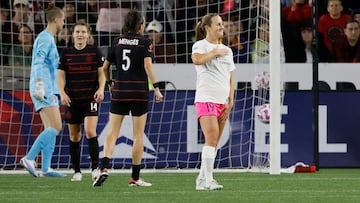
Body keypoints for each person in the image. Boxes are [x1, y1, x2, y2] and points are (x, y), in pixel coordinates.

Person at [93, 9, 163, 187]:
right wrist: (156, 88)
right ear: (140, 25)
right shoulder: (145, 42)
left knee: (112, 132)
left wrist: (109, 83)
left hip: (120, 92)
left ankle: (104, 167)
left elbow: (104, 66)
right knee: (138, 135)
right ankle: (135, 177)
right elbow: (148, 65)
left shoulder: (117, 41)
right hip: (138, 93)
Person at [19, 3, 66, 177]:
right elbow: (38, 62)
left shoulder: (48, 38)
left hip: (49, 87)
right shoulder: (45, 38)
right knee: (56, 126)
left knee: (50, 127)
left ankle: (46, 168)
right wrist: (40, 85)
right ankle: (29, 158)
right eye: (63, 19)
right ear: (56, 19)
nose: (64, 22)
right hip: (43, 87)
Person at [57, 20, 106, 182]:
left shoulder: (94, 51)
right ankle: (77, 171)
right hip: (72, 99)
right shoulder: (66, 53)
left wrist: (100, 89)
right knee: (74, 135)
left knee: (90, 131)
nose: (80, 34)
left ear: (88, 34)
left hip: (90, 98)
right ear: (73, 34)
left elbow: (102, 73)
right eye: (77, 31)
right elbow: (60, 75)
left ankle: (95, 168)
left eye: (83, 32)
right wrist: (62, 93)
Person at [191, 13, 235, 190]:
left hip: (222, 101)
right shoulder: (200, 45)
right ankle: (209, 180)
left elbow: (231, 77)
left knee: (214, 141)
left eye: (222, 24)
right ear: (207, 27)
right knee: (211, 137)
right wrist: (215, 51)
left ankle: (201, 180)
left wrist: (230, 100)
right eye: (217, 24)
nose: (221, 27)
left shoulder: (228, 50)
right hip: (206, 98)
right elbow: (197, 60)